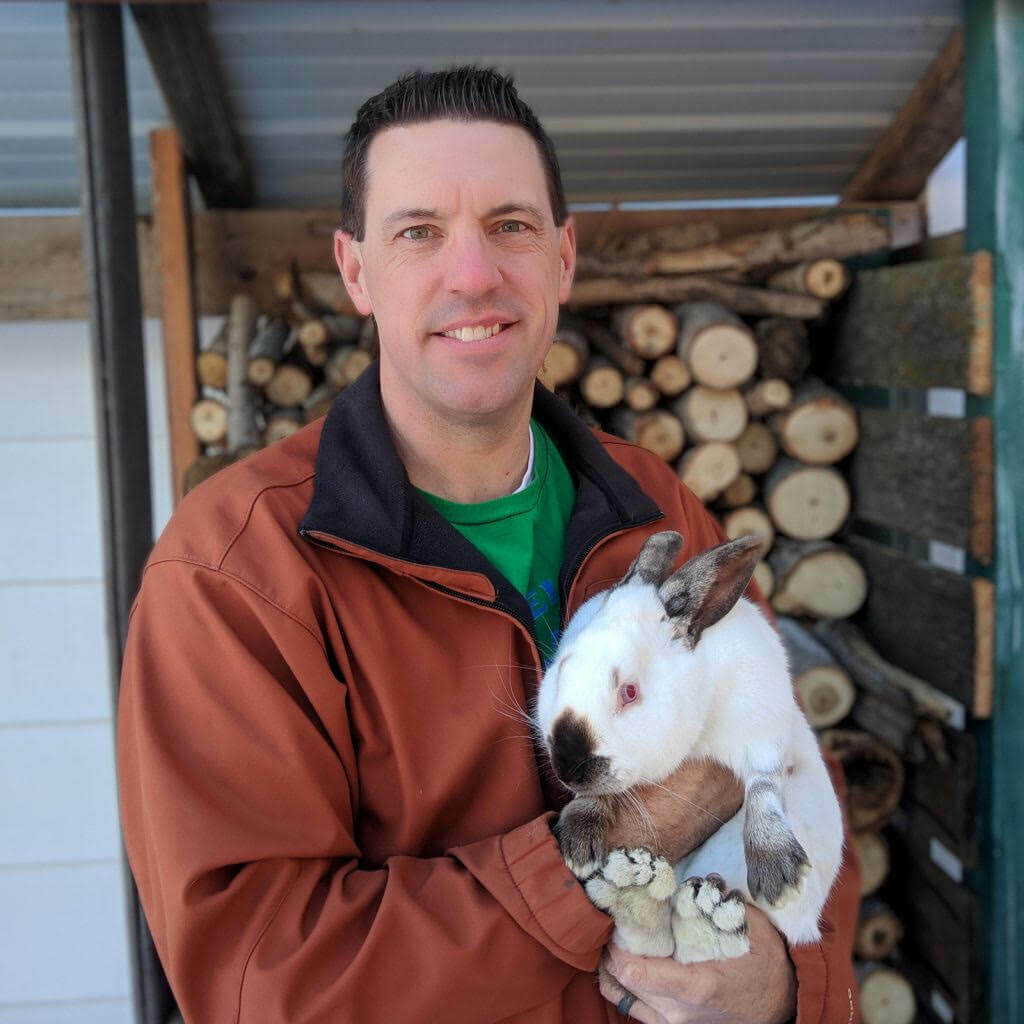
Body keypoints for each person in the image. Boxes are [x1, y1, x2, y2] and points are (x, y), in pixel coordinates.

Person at [117, 67, 859, 1023]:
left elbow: (796, 769)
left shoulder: (653, 505)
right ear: (355, 272)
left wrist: (792, 981)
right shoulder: (236, 571)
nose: (472, 275)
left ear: (562, 258)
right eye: (419, 232)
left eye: (510, 226)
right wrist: (604, 858)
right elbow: (267, 979)